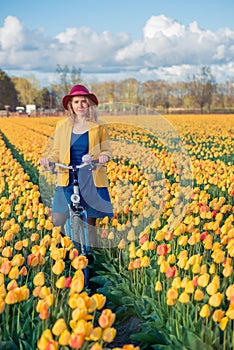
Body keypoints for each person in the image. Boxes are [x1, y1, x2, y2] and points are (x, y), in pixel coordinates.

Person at [40, 84, 113, 247]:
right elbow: (56, 151)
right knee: (58, 218)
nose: (80, 105)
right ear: (71, 106)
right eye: (76, 102)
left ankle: (91, 257)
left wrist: (103, 157)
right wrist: (48, 160)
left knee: (91, 222)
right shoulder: (62, 125)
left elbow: (107, 150)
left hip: (90, 174)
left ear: (89, 104)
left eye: (83, 101)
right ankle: (62, 251)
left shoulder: (99, 126)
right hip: (67, 173)